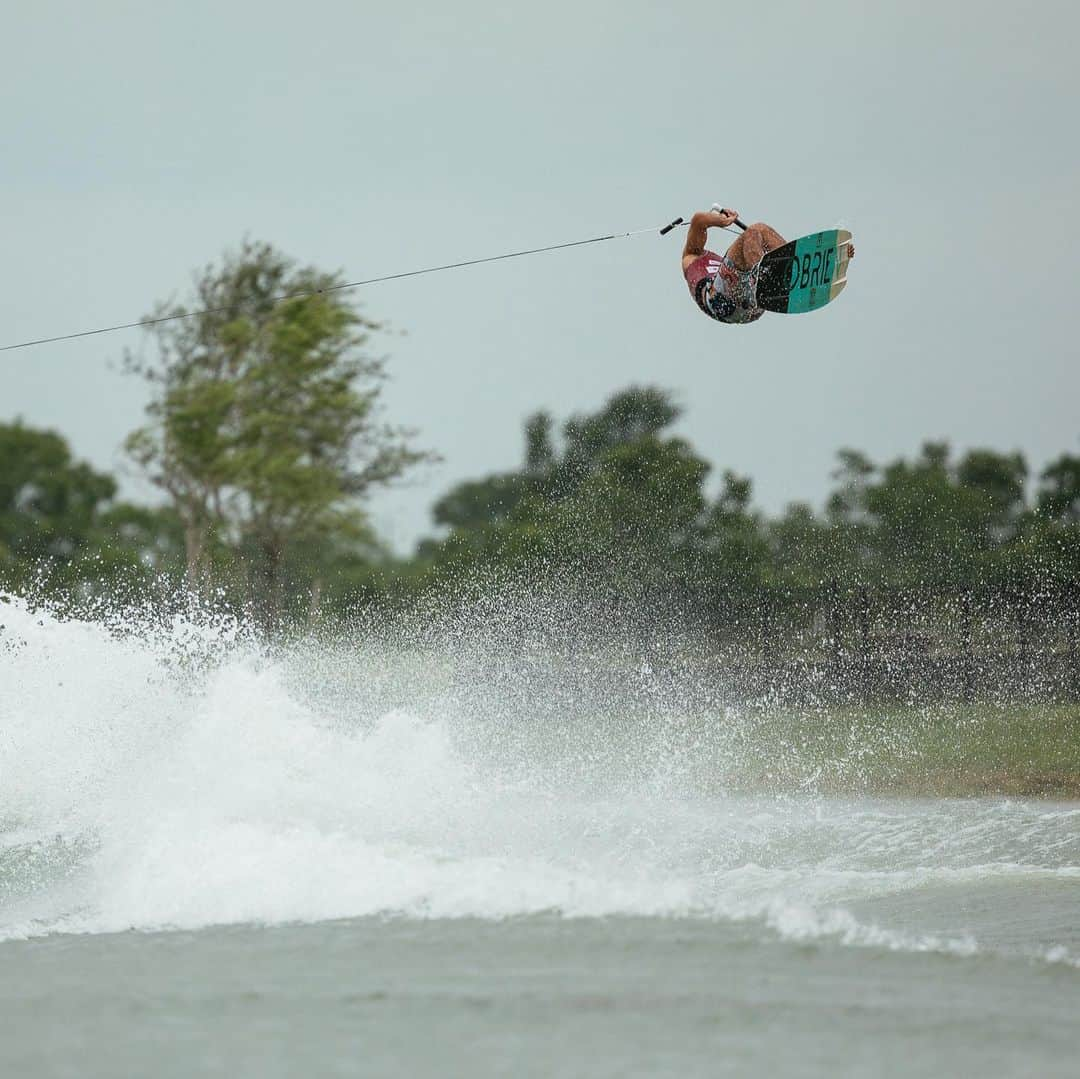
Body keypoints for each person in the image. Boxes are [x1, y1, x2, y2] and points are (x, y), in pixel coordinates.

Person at [681, 205, 854, 324]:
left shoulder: (708, 262)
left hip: (752, 305)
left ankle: (792, 269)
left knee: (760, 230)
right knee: (754, 231)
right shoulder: (689, 258)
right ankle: (773, 277)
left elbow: (699, 225)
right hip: (721, 302)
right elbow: (698, 220)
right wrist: (721, 221)